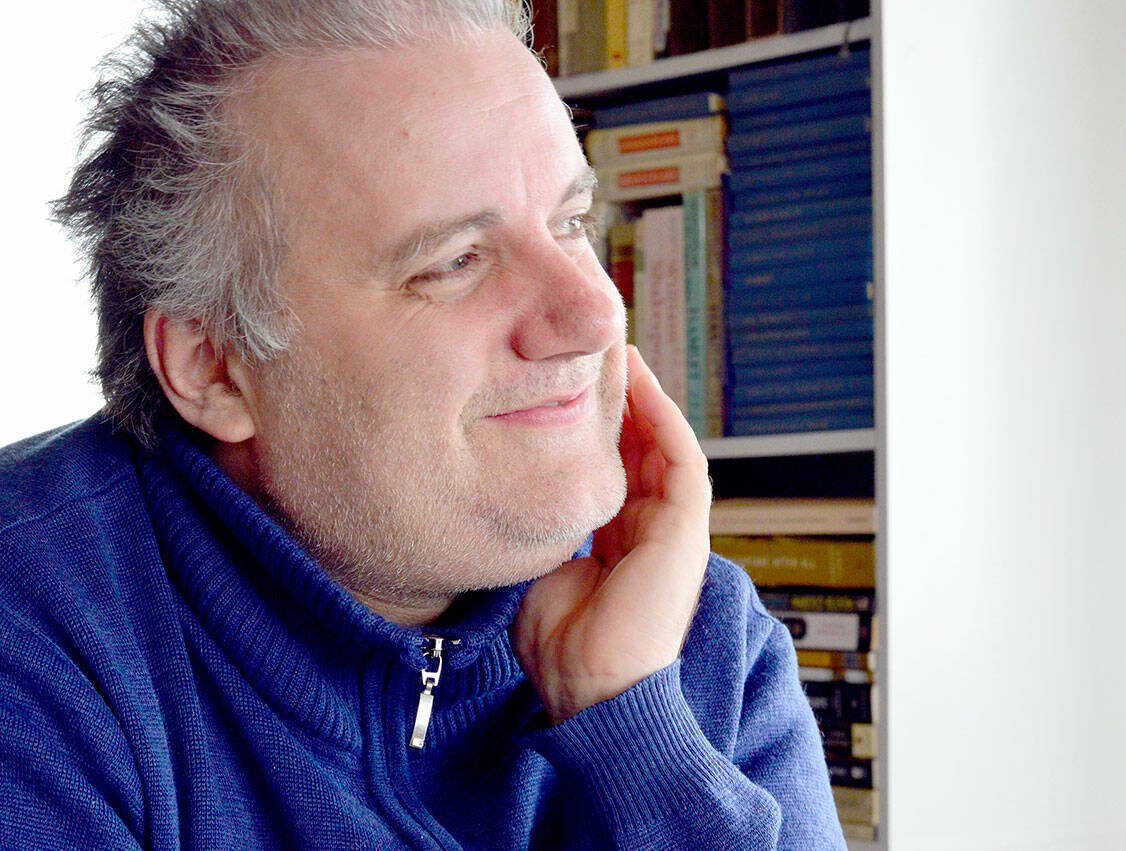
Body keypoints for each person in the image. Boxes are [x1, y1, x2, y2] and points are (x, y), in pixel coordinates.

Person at [0, 0, 844, 847]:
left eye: (572, 223)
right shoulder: (35, 633)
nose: (594, 314)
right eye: (454, 263)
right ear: (215, 364)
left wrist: (633, 728)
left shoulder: (693, 636)